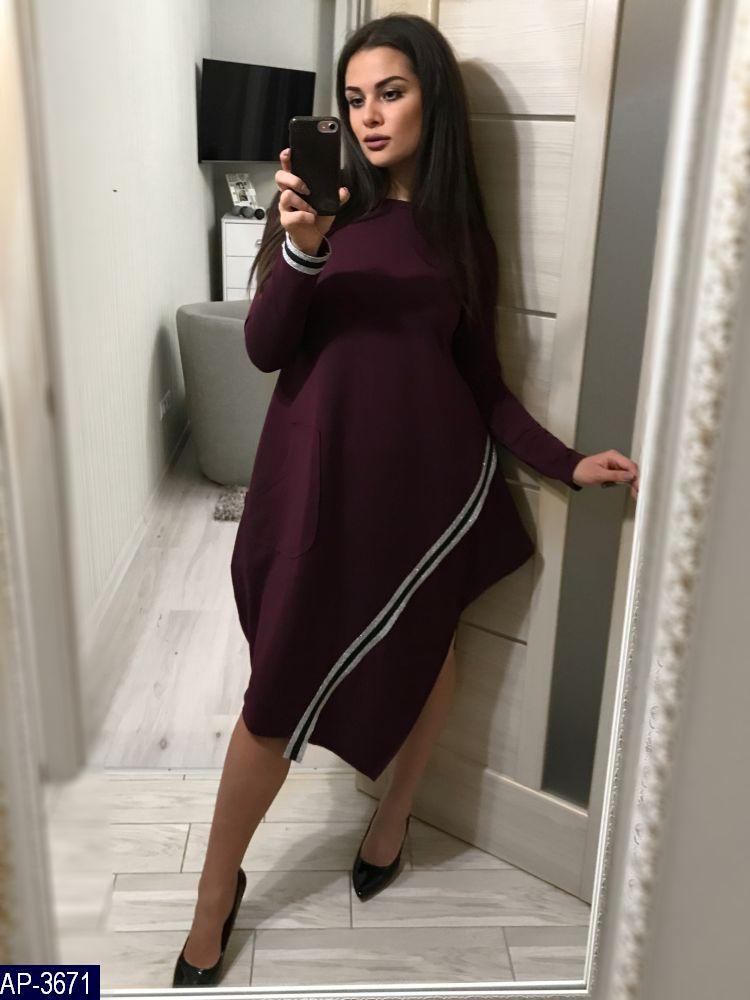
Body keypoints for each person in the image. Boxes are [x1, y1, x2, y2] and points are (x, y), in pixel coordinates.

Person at [173, 12, 639, 986]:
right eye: (354, 99)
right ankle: (215, 892)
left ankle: (394, 820)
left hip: (427, 495)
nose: (370, 115)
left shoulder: (461, 239)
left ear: (433, 99)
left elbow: (485, 387)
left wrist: (566, 463)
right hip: (318, 490)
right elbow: (263, 347)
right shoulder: (321, 214)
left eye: (391, 92)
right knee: (274, 694)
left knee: (430, 645)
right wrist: (302, 247)